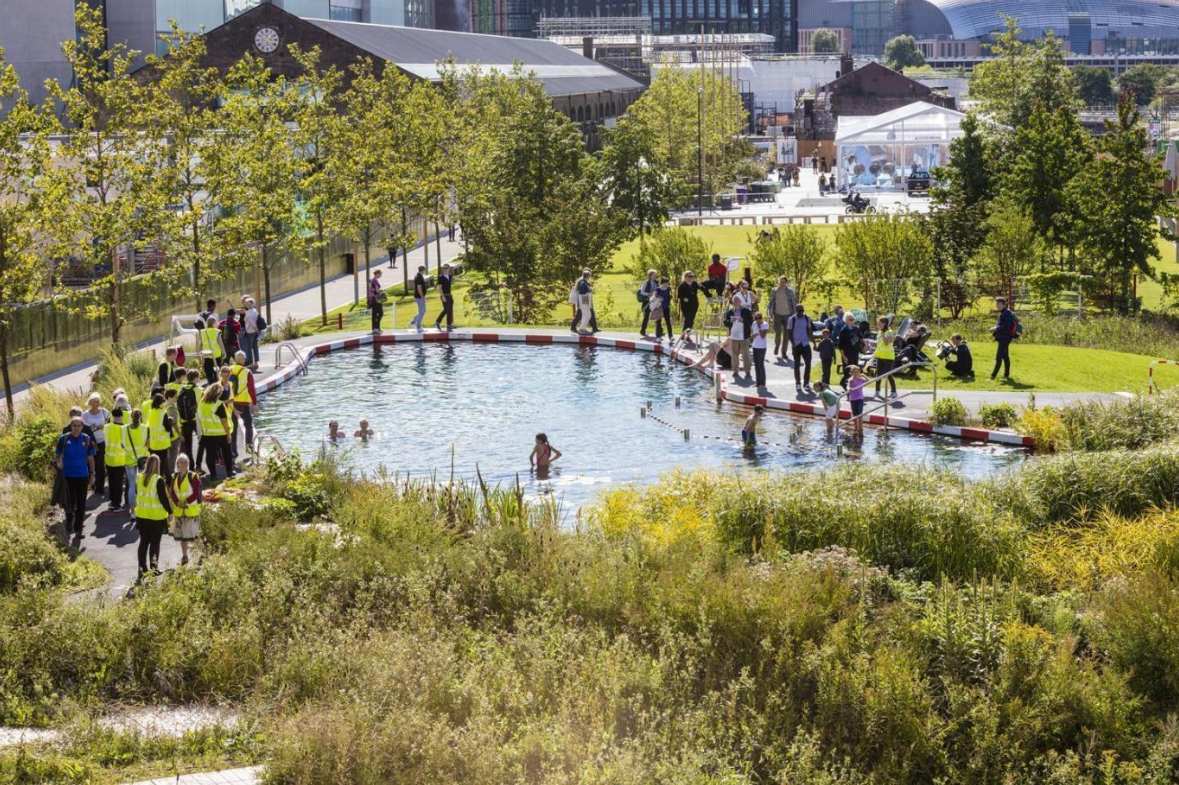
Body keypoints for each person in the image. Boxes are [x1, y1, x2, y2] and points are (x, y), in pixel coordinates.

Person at [134, 454, 172, 579]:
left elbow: (137, 493)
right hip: (156, 517)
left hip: (141, 515)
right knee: (155, 543)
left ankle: (141, 568)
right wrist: (170, 512)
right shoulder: (158, 480)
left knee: (144, 542)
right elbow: (163, 499)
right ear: (158, 465)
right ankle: (153, 568)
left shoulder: (139, 478)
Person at [55, 417, 95, 538]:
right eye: (74, 425)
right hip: (68, 475)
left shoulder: (87, 440)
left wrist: (93, 473)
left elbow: (90, 458)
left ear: (82, 427)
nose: (76, 428)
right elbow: (58, 455)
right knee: (69, 502)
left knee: (81, 502)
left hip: (83, 475)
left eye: (78, 426)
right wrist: (59, 464)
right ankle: (68, 522)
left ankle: (78, 529)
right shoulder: (64, 439)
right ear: (70, 426)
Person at [169, 454, 201, 567]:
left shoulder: (193, 476)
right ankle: (184, 556)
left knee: (194, 535)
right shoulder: (174, 476)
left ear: (188, 464)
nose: (183, 465)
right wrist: (177, 502)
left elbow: (196, 493)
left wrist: (185, 502)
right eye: (181, 463)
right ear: (177, 464)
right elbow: (172, 492)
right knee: (183, 536)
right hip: (179, 510)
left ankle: (201, 553)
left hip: (190, 510)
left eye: (185, 463)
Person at [197, 384, 234, 480]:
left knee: (210, 454)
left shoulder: (201, 403)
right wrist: (228, 433)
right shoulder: (218, 404)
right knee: (226, 452)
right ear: (218, 393)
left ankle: (213, 475)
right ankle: (229, 472)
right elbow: (224, 421)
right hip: (220, 433)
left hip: (207, 433)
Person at [82, 393, 110, 496]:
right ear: (90, 402)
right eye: (94, 401)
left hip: (102, 441)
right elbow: (82, 428)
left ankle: (100, 487)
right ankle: (93, 484)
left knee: (99, 464)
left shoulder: (104, 412)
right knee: (91, 465)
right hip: (90, 443)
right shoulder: (85, 415)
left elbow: (109, 424)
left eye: (98, 401)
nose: (96, 403)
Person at [229, 351, 258, 453]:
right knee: (248, 425)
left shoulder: (229, 370)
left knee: (233, 427)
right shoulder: (247, 372)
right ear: (243, 359)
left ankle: (233, 450)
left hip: (231, 403)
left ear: (235, 359)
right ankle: (249, 448)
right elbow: (251, 389)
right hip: (243, 403)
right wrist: (254, 404)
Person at [103, 407, 129, 512]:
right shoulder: (124, 428)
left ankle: (112, 501)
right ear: (122, 416)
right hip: (120, 459)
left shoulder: (107, 427)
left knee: (111, 481)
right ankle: (117, 504)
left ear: (113, 416)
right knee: (118, 483)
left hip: (109, 458)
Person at [768, 277, 798, 359]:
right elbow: (771, 302)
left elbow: (794, 303)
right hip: (777, 314)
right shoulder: (774, 291)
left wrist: (795, 315)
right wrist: (770, 314)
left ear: (786, 283)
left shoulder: (790, 291)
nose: (782, 283)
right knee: (777, 332)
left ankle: (783, 352)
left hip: (788, 315)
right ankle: (777, 345)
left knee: (786, 335)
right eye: (780, 282)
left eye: (783, 282)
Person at [786, 304, 814, 394]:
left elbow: (809, 329)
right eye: (800, 311)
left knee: (808, 364)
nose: (802, 312)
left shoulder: (806, 318)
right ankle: (798, 383)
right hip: (796, 344)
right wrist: (793, 343)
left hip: (805, 344)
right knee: (797, 365)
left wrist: (812, 341)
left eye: (802, 310)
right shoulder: (792, 320)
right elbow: (789, 332)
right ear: (796, 310)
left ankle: (806, 383)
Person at [176, 369, 200, 464]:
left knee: (188, 446)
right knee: (202, 443)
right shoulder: (197, 390)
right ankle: (199, 465)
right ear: (195, 378)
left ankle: (191, 466)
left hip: (184, 421)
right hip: (195, 420)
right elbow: (200, 405)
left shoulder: (182, 388)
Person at [124, 409, 147, 509]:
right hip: (142, 459)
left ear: (131, 417)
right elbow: (148, 444)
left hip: (129, 459)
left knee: (131, 485)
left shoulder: (124, 428)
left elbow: (122, 444)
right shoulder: (145, 428)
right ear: (141, 417)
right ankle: (142, 506)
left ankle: (132, 510)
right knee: (142, 484)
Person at [990, 296, 1016, 380]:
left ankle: (993, 376)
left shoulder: (1006, 312)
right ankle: (1006, 375)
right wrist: (996, 328)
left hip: (1005, 338)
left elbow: (1007, 326)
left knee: (998, 357)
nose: (996, 305)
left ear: (1003, 304)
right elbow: (1003, 325)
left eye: (998, 303)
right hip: (1003, 337)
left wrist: (996, 328)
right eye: (996, 303)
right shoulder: (1003, 312)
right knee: (1005, 357)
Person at [873, 316, 897, 399]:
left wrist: (882, 333)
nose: (878, 325)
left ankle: (893, 392)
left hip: (888, 357)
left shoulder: (890, 332)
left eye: (879, 323)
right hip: (880, 356)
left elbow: (886, 342)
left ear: (884, 323)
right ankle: (877, 391)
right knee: (878, 374)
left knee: (888, 374)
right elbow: (879, 344)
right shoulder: (880, 332)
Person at [727, 300, 751, 379]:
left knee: (746, 354)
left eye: (737, 301)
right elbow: (725, 322)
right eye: (734, 301)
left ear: (740, 302)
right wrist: (731, 321)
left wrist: (743, 320)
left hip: (744, 335)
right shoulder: (730, 311)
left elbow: (751, 320)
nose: (735, 303)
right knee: (734, 354)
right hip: (734, 336)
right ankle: (735, 370)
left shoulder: (746, 310)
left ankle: (747, 371)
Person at [198, 316, 225, 384]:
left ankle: (210, 384)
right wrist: (224, 353)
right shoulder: (217, 331)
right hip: (216, 354)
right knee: (217, 371)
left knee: (208, 372)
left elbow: (200, 345)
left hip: (206, 354)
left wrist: (200, 356)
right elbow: (220, 343)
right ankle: (216, 384)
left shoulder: (202, 332)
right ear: (215, 323)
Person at [838, 313, 862, 390]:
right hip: (847, 353)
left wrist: (865, 343)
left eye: (853, 319)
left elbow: (860, 338)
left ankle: (844, 383)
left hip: (855, 352)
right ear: (846, 320)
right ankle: (848, 388)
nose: (853, 321)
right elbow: (840, 345)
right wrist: (843, 356)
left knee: (854, 369)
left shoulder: (856, 328)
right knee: (848, 370)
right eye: (851, 319)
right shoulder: (843, 330)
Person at [677, 271, 701, 343]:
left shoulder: (695, 283)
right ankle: (684, 335)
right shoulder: (682, 285)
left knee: (691, 320)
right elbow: (679, 295)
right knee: (688, 319)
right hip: (685, 305)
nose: (691, 278)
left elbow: (703, 288)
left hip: (694, 304)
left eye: (692, 276)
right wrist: (683, 298)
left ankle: (687, 335)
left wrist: (702, 285)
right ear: (685, 277)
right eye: (689, 276)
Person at [750, 310, 770, 389]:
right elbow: (751, 335)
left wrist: (759, 327)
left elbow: (762, 336)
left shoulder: (765, 324)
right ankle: (758, 382)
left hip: (762, 347)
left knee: (761, 365)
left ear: (761, 318)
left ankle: (763, 383)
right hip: (755, 346)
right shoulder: (753, 324)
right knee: (756, 365)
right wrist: (753, 336)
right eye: (756, 318)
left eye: (759, 318)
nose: (758, 320)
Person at [433, 263, 454, 331]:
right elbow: (440, 288)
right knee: (446, 309)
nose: (444, 270)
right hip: (444, 295)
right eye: (443, 268)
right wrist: (443, 296)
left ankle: (449, 325)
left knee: (450, 310)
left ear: (449, 268)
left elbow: (454, 279)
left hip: (449, 295)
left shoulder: (450, 276)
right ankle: (437, 322)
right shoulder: (440, 277)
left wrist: (465, 280)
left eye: (446, 268)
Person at [241, 297, 261, 370]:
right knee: (255, 347)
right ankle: (256, 362)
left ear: (249, 304)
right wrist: (257, 331)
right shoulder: (255, 311)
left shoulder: (248, 313)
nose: (246, 304)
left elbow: (252, 323)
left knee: (249, 348)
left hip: (250, 332)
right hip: (255, 332)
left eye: (247, 303)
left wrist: (255, 329)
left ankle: (251, 363)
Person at [847, 365, 867, 439]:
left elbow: (869, 381)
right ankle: (856, 427)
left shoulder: (861, 379)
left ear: (859, 372)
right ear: (851, 373)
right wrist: (849, 389)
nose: (855, 374)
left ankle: (860, 428)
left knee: (860, 414)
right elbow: (848, 386)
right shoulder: (851, 380)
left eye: (857, 372)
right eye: (853, 372)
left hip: (859, 398)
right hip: (853, 399)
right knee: (855, 414)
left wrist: (863, 375)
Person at [637, 269, 659, 336]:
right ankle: (642, 330)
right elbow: (642, 292)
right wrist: (648, 294)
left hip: (654, 301)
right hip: (647, 301)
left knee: (658, 315)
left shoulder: (656, 282)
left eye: (655, 275)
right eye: (654, 275)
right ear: (650, 275)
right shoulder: (646, 282)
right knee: (646, 316)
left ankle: (659, 331)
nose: (655, 276)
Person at [652, 277, 673, 343]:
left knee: (668, 322)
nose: (666, 284)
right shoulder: (658, 289)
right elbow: (653, 296)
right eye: (665, 283)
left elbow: (670, 296)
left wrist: (669, 302)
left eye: (667, 283)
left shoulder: (668, 289)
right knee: (658, 322)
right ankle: (658, 337)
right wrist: (658, 298)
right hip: (659, 308)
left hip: (666, 307)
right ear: (662, 283)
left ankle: (671, 336)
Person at [575, 269, 595, 335]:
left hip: (583, 300)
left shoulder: (583, 281)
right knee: (588, 315)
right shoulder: (584, 283)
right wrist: (589, 290)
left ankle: (582, 329)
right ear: (588, 276)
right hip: (584, 299)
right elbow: (582, 292)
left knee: (585, 315)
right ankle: (581, 329)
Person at [409, 266, 426, 331]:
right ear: (423, 270)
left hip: (418, 296)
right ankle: (418, 326)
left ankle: (413, 322)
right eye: (424, 270)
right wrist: (422, 297)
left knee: (421, 311)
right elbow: (419, 288)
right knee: (422, 311)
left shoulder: (418, 276)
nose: (425, 271)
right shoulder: (419, 277)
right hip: (419, 297)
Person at [368, 269, 385, 334]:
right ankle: (376, 327)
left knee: (374, 314)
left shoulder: (372, 280)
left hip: (372, 299)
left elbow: (373, 289)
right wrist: (381, 291)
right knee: (380, 313)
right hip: (376, 299)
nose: (380, 275)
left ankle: (375, 328)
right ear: (377, 274)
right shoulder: (375, 280)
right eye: (380, 274)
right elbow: (377, 291)